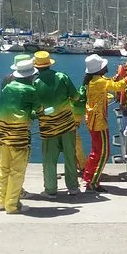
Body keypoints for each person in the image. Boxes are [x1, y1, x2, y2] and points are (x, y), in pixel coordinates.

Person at [0, 59, 43, 214]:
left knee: (4, 169)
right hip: (19, 137)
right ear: (30, 75)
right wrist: (34, 114)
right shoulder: (31, 90)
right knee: (17, 172)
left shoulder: (7, 88)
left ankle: (0, 200)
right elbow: (39, 110)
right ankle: (12, 205)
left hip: (3, 135)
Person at [32, 51, 81, 198]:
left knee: (49, 160)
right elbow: (76, 97)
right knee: (70, 156)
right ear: (49, 64)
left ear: (36, 67)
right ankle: (73, 187)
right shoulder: (62, 77)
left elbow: (34, 107)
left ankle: (51, 190)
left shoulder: (34, 83)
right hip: (67, 125)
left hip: (48, 128)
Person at [82, 54, 127, 192]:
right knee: (104, 153)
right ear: (99, 70)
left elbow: (110, 82)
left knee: (95, 151)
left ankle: (88, 177)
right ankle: (93, 183)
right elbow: (118, 86)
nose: (106, 67)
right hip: (99, 123)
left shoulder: (94, 80)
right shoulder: (99, 82)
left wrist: (119, 75)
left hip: (92, 121)